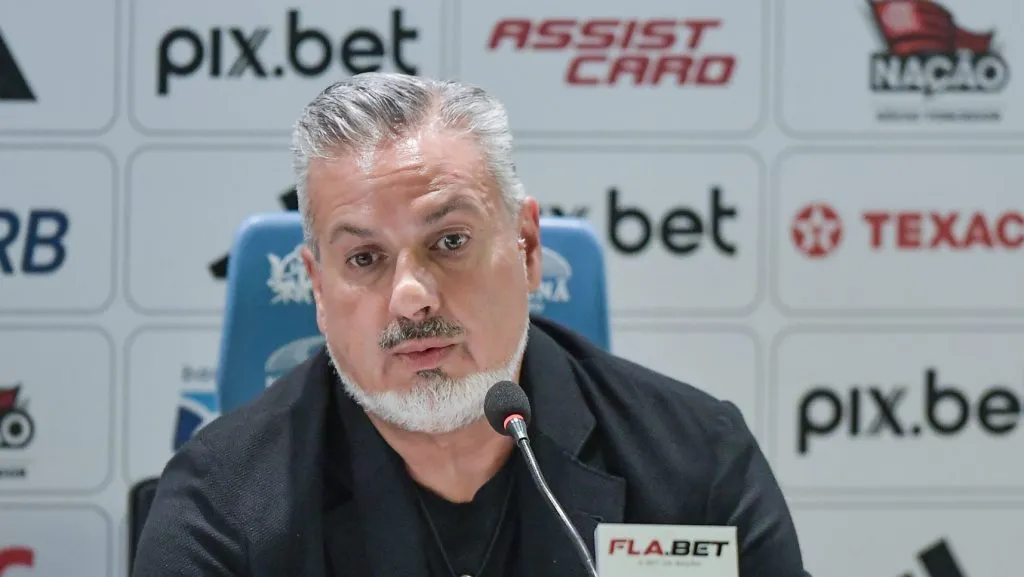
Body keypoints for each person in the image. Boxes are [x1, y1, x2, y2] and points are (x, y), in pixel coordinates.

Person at [132, 72, 811, 577]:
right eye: (365, 258)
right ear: (316, 286)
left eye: (449, 241)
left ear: (528, 247)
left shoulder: (695, 462)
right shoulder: (221, 505)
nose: (411, 298)